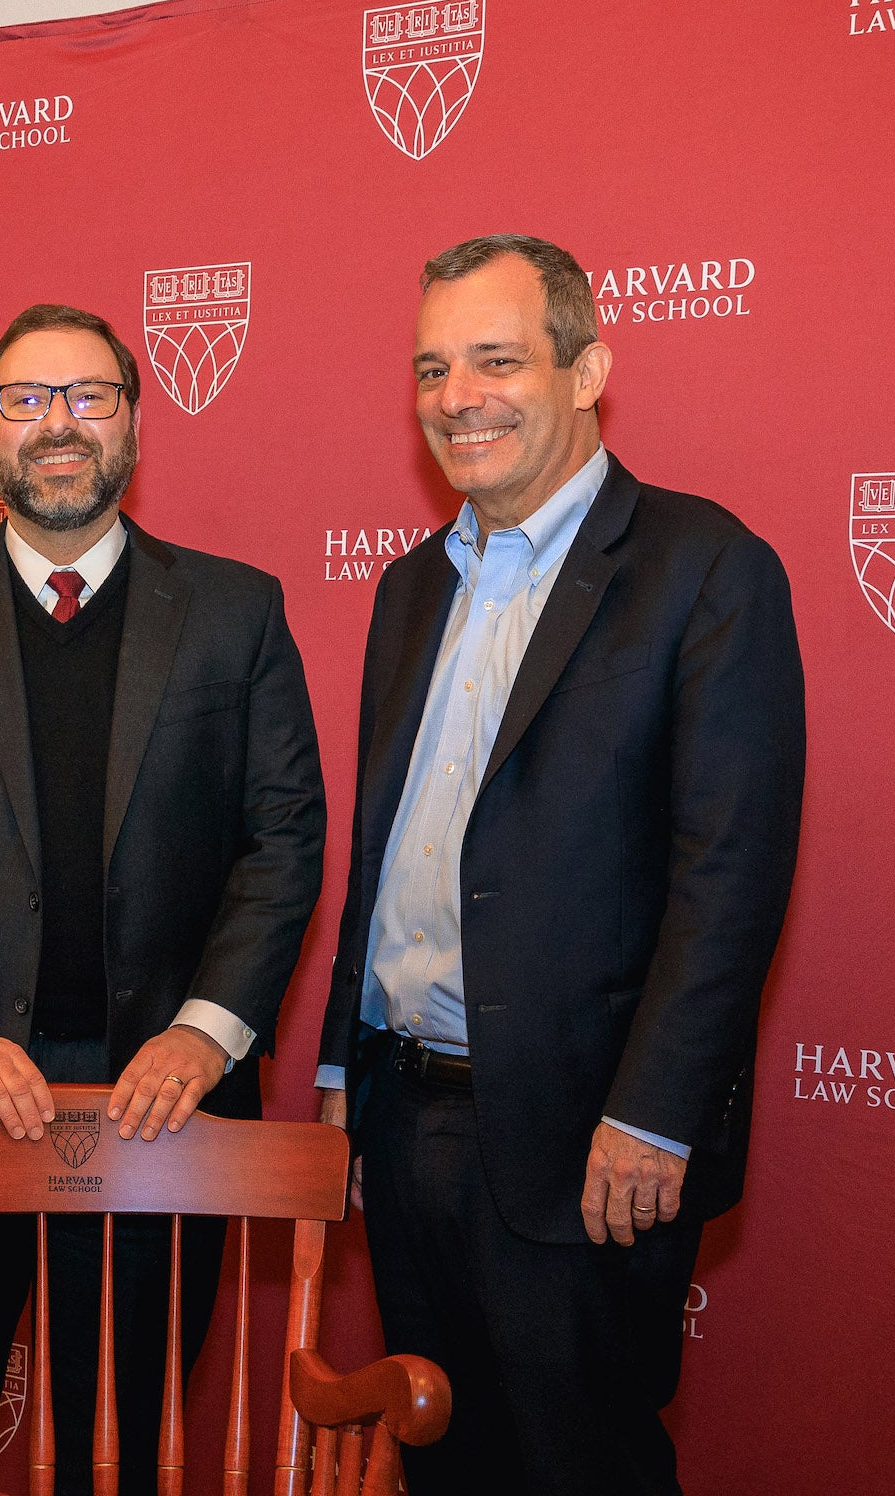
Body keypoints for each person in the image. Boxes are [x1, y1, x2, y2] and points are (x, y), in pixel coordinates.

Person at [312, 235, 806, 1495]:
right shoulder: (409, 587)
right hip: (403, 1115)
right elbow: (385, 852)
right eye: (432, 368)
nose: (457, 396)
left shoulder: (705, 571)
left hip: (585, 1139)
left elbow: (729, 875)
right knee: (443, 1462)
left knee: (577, 1465)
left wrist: (651, 1114)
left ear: (589, 369)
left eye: (495, 359)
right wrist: (336, 1070)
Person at [0, 303, 327, 1494]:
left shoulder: (236, 610)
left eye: (90, 396)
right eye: (26, 399)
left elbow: (283, 837)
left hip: (159, 1106)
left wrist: (207, 1033)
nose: (59, 424)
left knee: (128, 1438)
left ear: (134, 423)